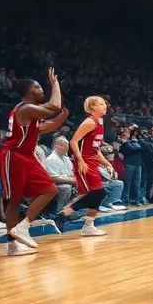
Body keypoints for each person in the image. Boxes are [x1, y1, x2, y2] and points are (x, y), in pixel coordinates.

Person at [0, 69, 70, 254]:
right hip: (13, 155)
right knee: (14, 200)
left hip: (27, 156)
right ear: (29, 92)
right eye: (38, 87)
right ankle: (12, 245)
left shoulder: (33, 115)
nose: (41, 89)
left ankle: (24, 225)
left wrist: (62, 116)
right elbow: (53, 105)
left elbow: (49, 125)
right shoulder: (26, 108)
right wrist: (55, 84)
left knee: (50, 189)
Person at [52, 96, 110, 237]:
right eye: (100, 104)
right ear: (92, 108)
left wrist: (107, 163)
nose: (104, 106)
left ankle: (88, 225)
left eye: (104, 104)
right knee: (98, 193)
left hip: (93, 161)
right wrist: (80, 160)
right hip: (84, 162)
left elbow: (96, 149)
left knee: (96, 194)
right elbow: (73, 142)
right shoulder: (89, 122)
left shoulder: (100, 123)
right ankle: (63, 214)